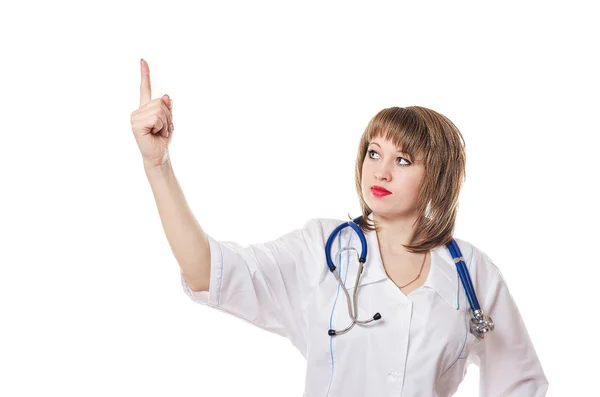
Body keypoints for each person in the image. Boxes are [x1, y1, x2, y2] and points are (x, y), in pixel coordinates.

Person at [130, 59, 549, 397]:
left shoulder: (472, 273)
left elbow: (520, 383)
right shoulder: (322, 250)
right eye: (373, 153)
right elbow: (208, 271)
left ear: (437, 176)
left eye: (402, 160)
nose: (380, 171)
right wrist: (158, 166)